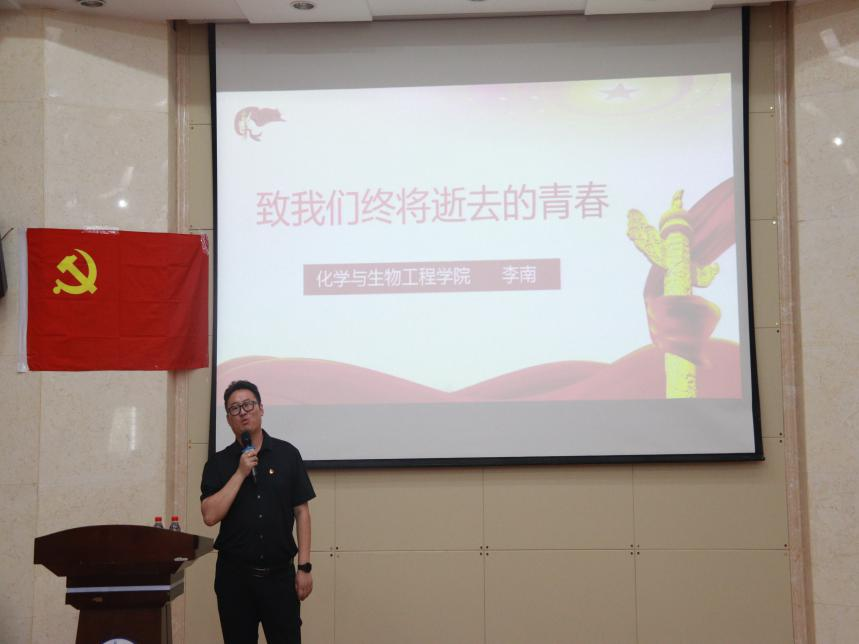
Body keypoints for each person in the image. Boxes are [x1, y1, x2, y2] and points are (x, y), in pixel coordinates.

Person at [201, 379, 315, 644]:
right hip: (235, 579)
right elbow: (209, 516)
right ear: (228, 419)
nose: (243, 412)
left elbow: (302, 512)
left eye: (248, 405)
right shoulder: (218, 463)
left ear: (261, 409)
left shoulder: (287, 454)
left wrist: (305, 567)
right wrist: (240, 472)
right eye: (235, 408)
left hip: (280, 577)